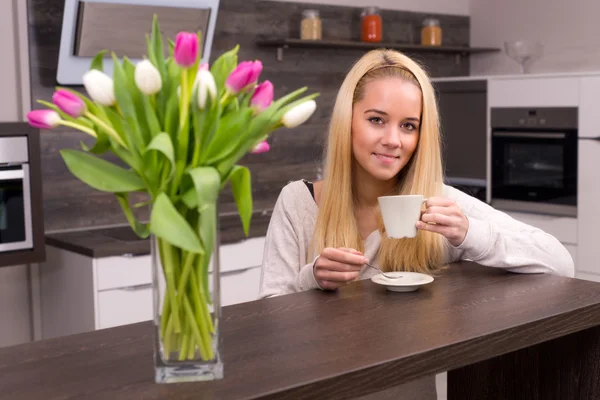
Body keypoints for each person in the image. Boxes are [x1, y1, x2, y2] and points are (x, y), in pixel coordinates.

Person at [257, 48, 575, 398]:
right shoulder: (298, 201)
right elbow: (269, 322)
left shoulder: (438, 203)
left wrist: (469, 232)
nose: (393, 140)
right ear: (347, 120)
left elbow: (560, 261)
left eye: (408, 126)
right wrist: (313, 277)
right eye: (376, 119)